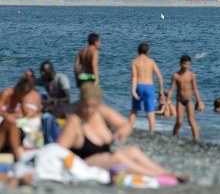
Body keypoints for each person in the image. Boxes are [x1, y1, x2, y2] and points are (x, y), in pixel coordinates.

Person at [57, 83, 187, 182]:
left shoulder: (101, 111)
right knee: (117, 157)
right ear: (81, 103)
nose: (90, 110)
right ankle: (156, 176)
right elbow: (57, 150)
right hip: (84, 163)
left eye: (93, 106)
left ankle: (165, 172)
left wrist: (122, 132)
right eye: (86, 106)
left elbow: (125, 124)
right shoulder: (75, 121)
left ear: (98, 103)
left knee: (133, 151)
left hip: (105, 158)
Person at [0, 70, 42, 161]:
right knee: (10, 121)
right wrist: (11, 115)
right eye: (23, 93)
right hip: (2, 120)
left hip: (11, 121)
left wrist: (31, 114)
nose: (24, 96)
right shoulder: (6, 93)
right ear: (18, 88)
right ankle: (18, 157)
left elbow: (24, 113)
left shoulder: (22, 97)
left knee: (29, 122)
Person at [166, 55, 205, 140]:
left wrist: (199, 102)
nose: (186, 66)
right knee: (179, 121)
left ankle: (196, 140)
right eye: (184, 64)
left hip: (189, 100)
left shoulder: (192, 75)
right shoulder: (176, 75)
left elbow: (195, 89)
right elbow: (171, 89)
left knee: (191, 120)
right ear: (180, 63)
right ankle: (174, 137)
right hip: (179, 100)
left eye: (188, 64)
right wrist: (167, 101)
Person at [129, 43, 164, 132]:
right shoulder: (151, 61)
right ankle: (151, 133)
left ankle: (128, 131)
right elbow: (159, 76)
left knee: (134, 111)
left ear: (138, 51)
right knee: (151, 113)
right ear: (148, 52)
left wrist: (133, 91)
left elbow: (134, 77)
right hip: (149, 87)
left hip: (139, 86)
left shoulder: (134, 61)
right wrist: (161, 91)